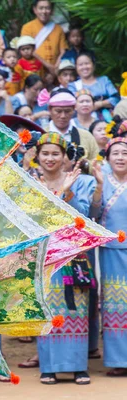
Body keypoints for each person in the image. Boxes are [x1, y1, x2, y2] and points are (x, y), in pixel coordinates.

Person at [30, 133, 95, 385]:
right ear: (37, 156)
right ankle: (49, 367)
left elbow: (83, 217)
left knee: (75, 308)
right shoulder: (31, 181)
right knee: (48, 309)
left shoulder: (78, 182)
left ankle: (78, 366)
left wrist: (66, 191)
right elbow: (35, 218)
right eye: (45, 153)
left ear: (65, 156)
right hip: (46, 255)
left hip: (74, 255)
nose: (50, 158)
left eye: (55, 153)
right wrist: (57, 193)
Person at [91, 124, 127, 377]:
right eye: (115, 153)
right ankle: (118, 360)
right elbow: (92, 214)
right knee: (115, 305)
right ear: (107, 157)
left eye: (125, 153)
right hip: (111, 250)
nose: (121, 157)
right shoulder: (100, 179)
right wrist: (100, 187)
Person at [37, 88, 99, 163]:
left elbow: (98, 162)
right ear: (49, 109)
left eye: (67, 111)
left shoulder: (86, 136)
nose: (63, 116)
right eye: (58, 111)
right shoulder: (40, 135)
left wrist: (84, 164)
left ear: (74, 110)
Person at [20, 0, 68, 77]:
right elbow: (28, 50)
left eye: (47, 8)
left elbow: (63, 50)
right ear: (35, 10)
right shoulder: (27, 28)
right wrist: (49, 66)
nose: (44, 11)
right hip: (35, 70)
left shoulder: (58, 29)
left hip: (56, 71)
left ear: (52, 10)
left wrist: (56, 66)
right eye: (41, 8)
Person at [69, 52, 119, 122]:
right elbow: (72, 105)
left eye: (87, 63)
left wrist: (100, 104)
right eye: (80, 65)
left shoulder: (104, 80)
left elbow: (116, 99)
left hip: (108, 118)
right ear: (76, 67)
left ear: (93, 65)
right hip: (84, 120)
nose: (84, 67)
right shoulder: (73, 86)